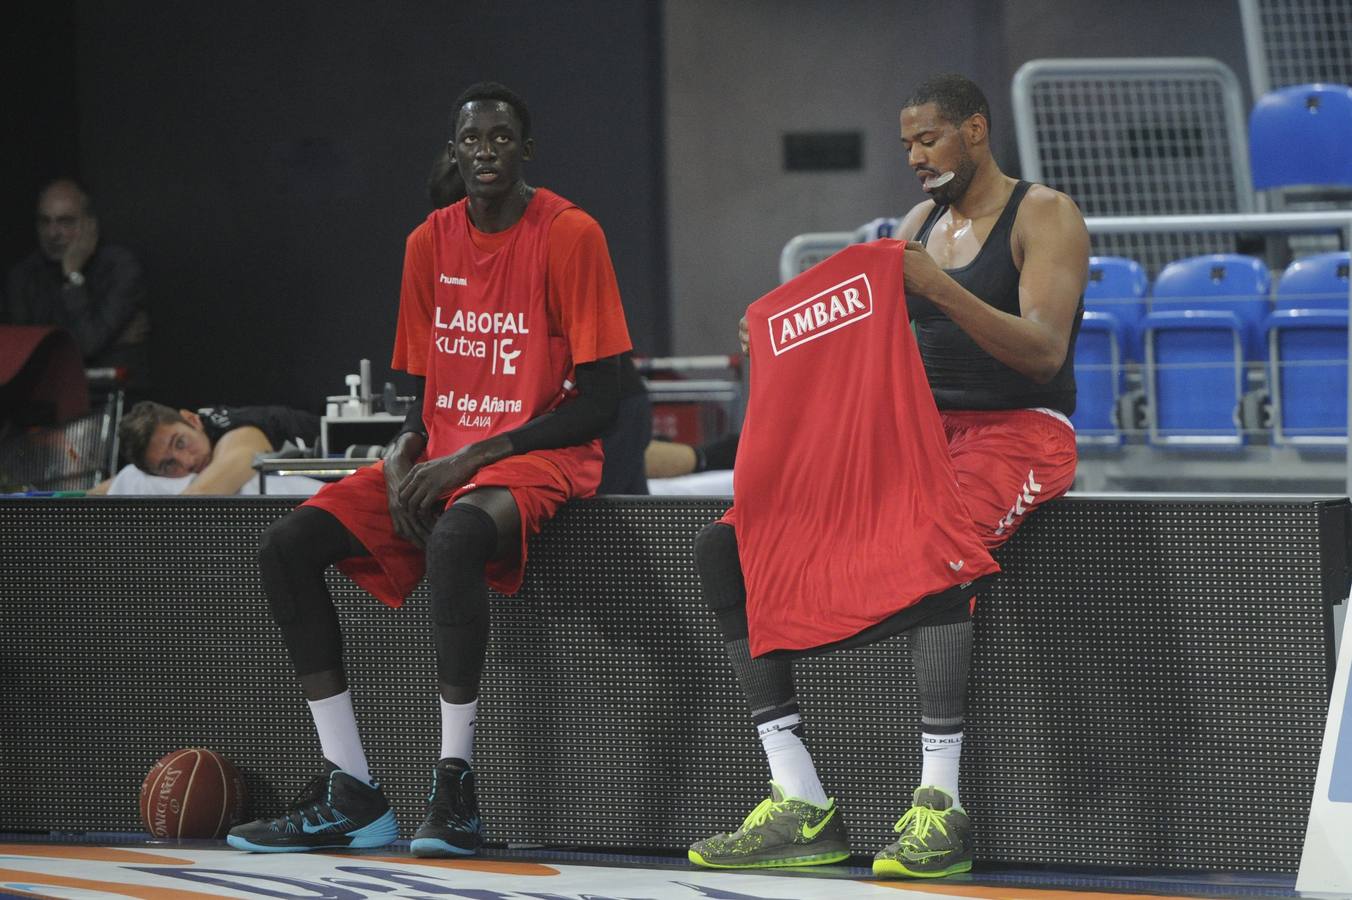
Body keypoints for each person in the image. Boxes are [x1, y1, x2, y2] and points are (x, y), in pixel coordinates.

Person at [688, 73, 1087, 879]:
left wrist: (935, 288)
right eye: (906, 143)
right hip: (921, 432)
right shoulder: (917, 225)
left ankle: (940, 808)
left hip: (1021, 430)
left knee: (933, 536)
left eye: (928, 139)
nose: (915, 156)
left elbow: (1045, 352)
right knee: (726, 544)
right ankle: (799, 799)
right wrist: (774, 330)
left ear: (975, 131)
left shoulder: (1044, 213)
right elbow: (846, 326)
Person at [226, 82, 633, 856]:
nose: (486, 151)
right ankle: (351, 787)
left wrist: (472, 457)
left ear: (526, 151)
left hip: (537, 457)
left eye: (502, 138)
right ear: (454, 150)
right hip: (445, 458)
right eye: (472, 139)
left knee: (454, 539)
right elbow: (425, 380)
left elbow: (608, 398)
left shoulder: (571, 233)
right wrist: (411, 445)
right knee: (285, 547)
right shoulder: (427, 243)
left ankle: (455, 795)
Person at [427, 141, 650, 495]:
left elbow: (590, 394)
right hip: (573, 414)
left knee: (605, 531)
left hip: (609, 408)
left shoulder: (550, 246)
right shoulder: (456, 262)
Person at [3, 179, 150, 395]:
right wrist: (111, 340)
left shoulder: (120, 267)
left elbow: (88, 343)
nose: (53, 233)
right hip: (47, 400)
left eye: (66, 221)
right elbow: (26, 356)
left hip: (110, 399)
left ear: (90, 224)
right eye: (45, 221)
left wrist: (72, 276)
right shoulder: (23, 276)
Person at [86, 401, 321, 495]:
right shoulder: (198, 440)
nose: (187, 462)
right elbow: (96, 493)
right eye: (169, 465)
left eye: (180, 443)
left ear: (192, 419)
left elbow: (199, 500)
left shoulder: (240, 435)